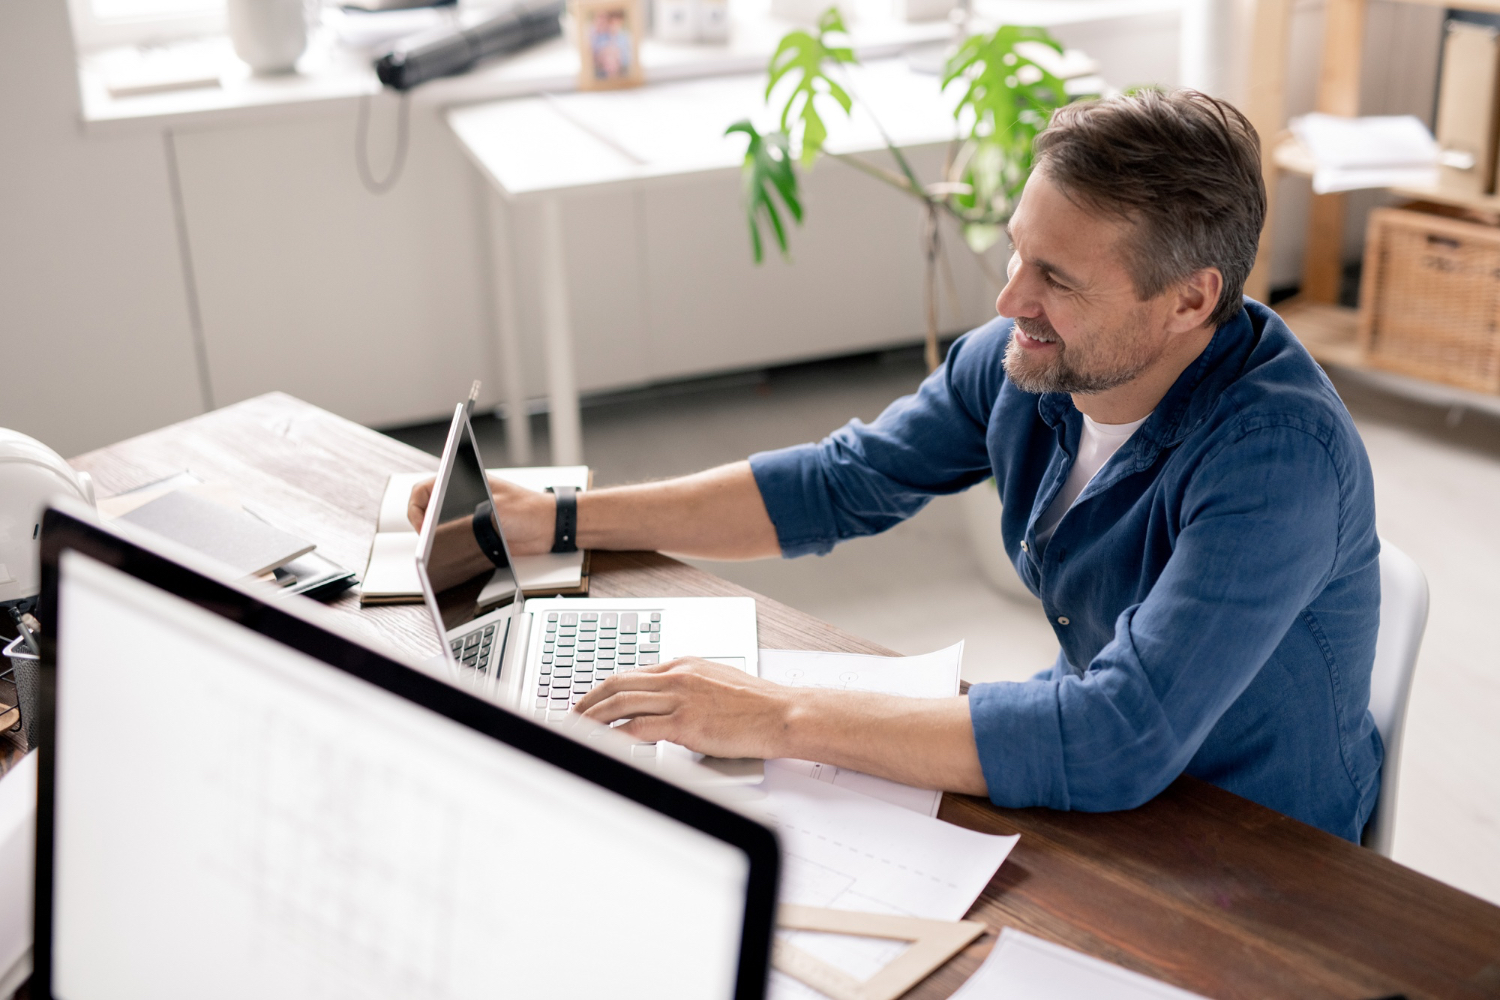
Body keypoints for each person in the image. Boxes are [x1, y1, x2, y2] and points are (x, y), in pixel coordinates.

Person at [410, 89, 1383, 842]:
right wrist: (565, 518)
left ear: (1189, 300)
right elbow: (838, 482)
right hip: (1099, 791)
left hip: (1255, 846)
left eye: (1058, 278)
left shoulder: (1276, 462)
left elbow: (1116, 735)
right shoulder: (1027, 367)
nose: (1009, 299)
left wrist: (780, 713)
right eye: (1016, 253)